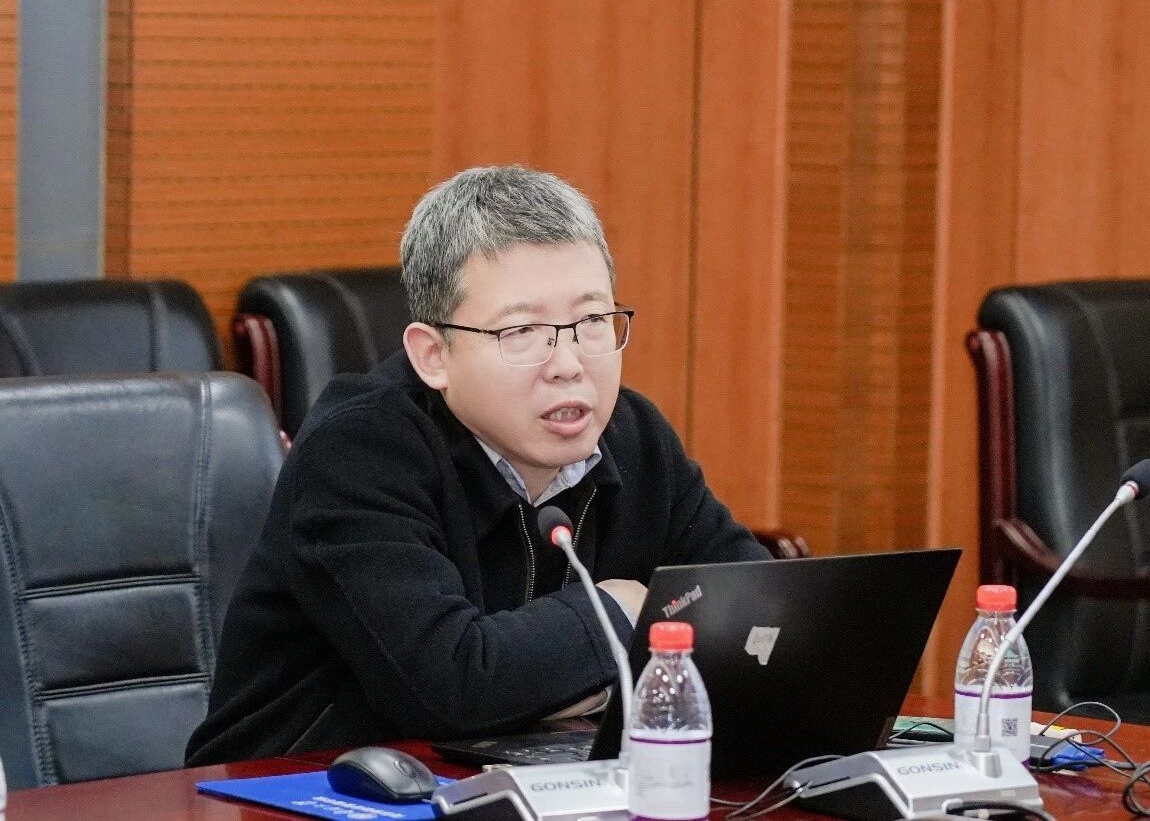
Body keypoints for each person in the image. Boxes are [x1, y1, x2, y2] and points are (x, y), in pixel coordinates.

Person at [185, 165, 769, 765]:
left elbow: (761, 611)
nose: (568, 364)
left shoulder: (633, 435)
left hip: (526, 778)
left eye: (592, 321)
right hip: (293, 787)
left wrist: (566, 672)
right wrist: (620, 610)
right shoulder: (359, 450)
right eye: (522, 331)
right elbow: (453, 685)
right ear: (433, 355)